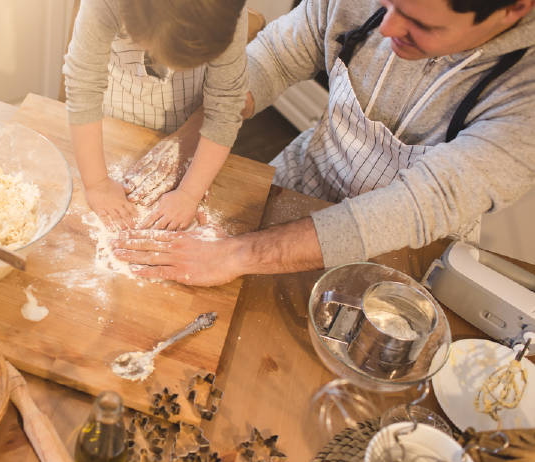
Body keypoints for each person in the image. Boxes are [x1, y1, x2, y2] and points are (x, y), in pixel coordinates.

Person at [112, 0, 535, 286]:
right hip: (303, 177)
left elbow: (417, 206)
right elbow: (274, 57)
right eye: (387, 4)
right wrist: (188, 143)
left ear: (514, 8)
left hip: (404, 252)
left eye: (421, 23)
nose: (387, 28)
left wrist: (233, 257)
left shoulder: (525, 97)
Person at [63, 0, 248, 231]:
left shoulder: (225, 10)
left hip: (187, 113)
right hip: (118, 111)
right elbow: (83, 85)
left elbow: (225, 104)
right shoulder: (105, 4)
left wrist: (189, 193)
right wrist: (97, 183)